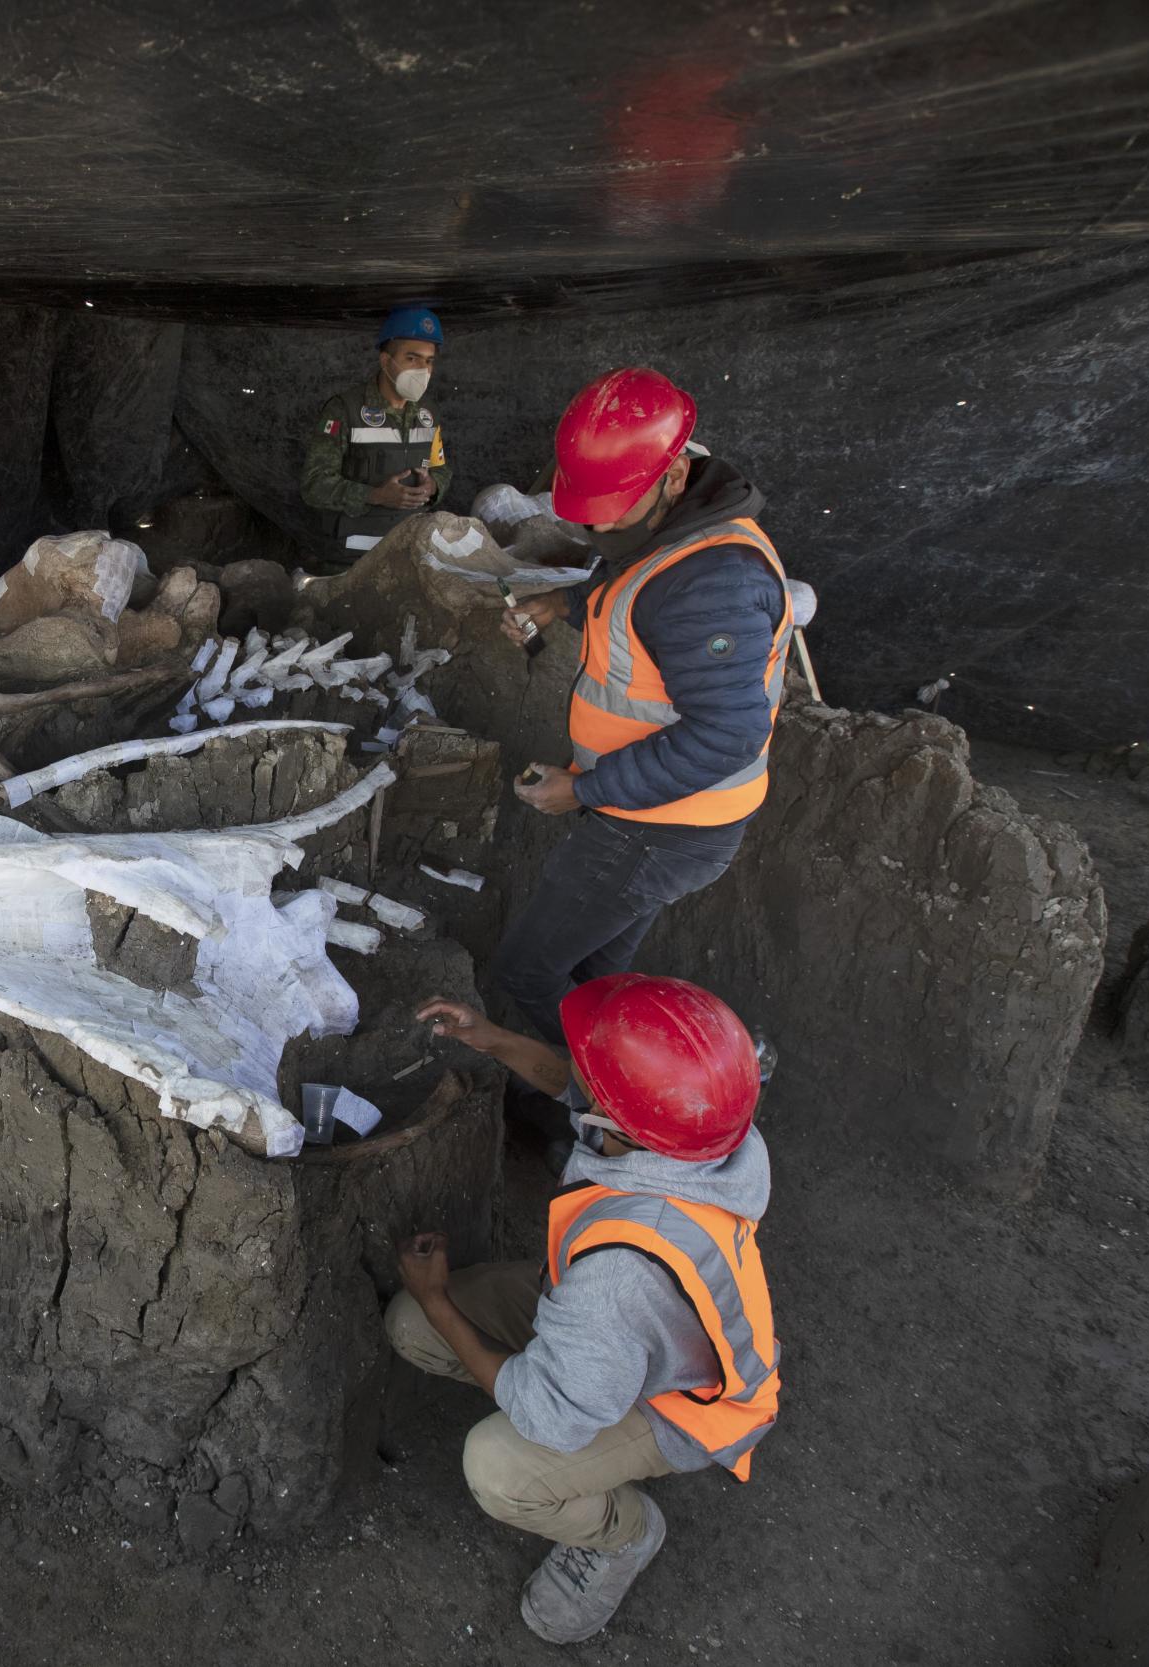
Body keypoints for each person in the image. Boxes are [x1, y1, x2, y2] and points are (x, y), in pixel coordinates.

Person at [391, 974, 779, 1646]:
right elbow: (581, 1086)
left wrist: (437, 1296)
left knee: (498, 1465)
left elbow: (548, 1413)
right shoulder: (699, 1127)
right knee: (410, 1327)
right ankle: (569, 1389)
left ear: (623, 1122)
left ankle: (622, 1536)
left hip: (677, 1403)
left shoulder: (618, 1280)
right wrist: (488, 1038)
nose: (582, 1080)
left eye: (599, 1080)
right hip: (623, 1334)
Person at [489, 368, 789, 1136]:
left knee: (527, 968)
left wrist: (582, 791)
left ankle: (606, 1118)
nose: (597, 531)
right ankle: (620, 1104)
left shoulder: (712, 581)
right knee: (596, 977)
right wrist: (568, 601)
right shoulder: (674, 526)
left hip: (658, 823)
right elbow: (635, 577)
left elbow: (725, 733)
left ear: (676, 472)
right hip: (654, 811)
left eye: (608, 514)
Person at [299, 305, 452, 565]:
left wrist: (433, 486)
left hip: (410, 553)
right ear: (385, 361)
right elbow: (314, 485)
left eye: (429, 361)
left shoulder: (428, 413)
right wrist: (375, 495)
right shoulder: (345, 409)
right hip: (352, 556)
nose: (422, 369)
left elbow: (441, 469)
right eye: (411, 358)